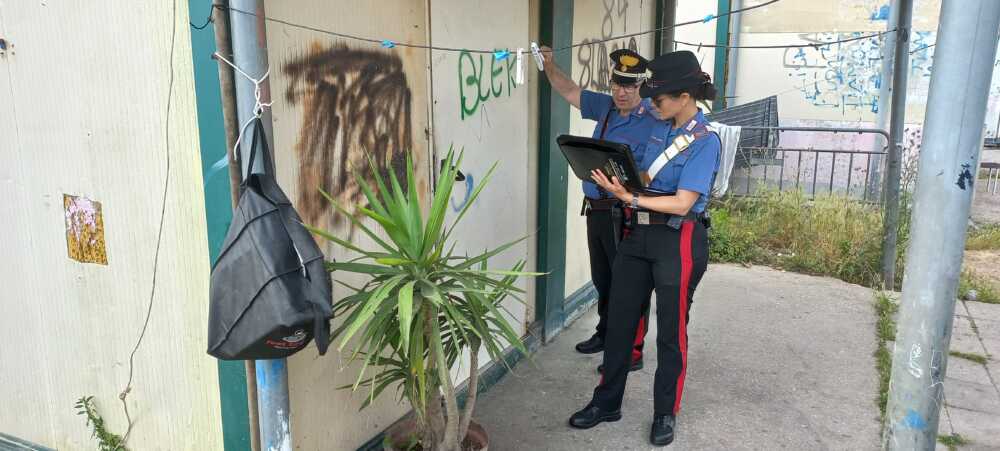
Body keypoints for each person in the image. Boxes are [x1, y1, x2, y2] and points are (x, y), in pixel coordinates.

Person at [568, 50, 721, 447]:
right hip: (638, 236)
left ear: (685, 96)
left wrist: (629, 198)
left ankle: (664, 412)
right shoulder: (659, 128)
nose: (653, 103)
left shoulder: (705, 141)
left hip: (678, 239)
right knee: (619, 321)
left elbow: (682, 202)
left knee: (671, 332)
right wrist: (609, 178)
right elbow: (641, 176)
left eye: (660, 98)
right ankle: (607, 402)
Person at [539, 45, 658, 371]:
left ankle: (630, 353)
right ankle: (607, 333)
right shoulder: (605, 108)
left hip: (627, 212)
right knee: (603, 278)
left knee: (629, 283)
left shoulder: (653, 118)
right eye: (617, 84)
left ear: (641, 86)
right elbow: (570, 90)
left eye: (629, 86)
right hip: (597, 210)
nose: (621, 92)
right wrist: (549, 65)